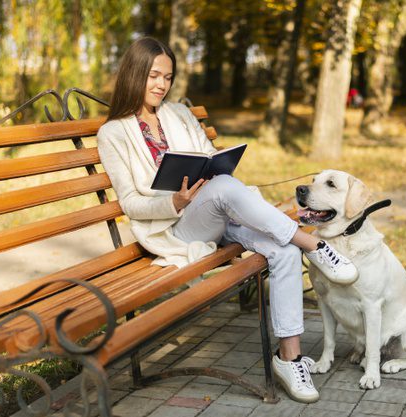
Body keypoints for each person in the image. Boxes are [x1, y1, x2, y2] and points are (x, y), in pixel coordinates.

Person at [96, 37, 359, 403]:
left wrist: (215, 164)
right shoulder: (113, 133)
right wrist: (174, 201)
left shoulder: (178, 115)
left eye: (167, 77)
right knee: (226, 190)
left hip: (217, 211)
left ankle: (290, 358)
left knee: (280, 252)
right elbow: (130, 203)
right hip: (176, 226)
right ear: (134, 74)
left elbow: (208, 159)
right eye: (153, 75)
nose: (160, 85)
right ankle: (313, 243)